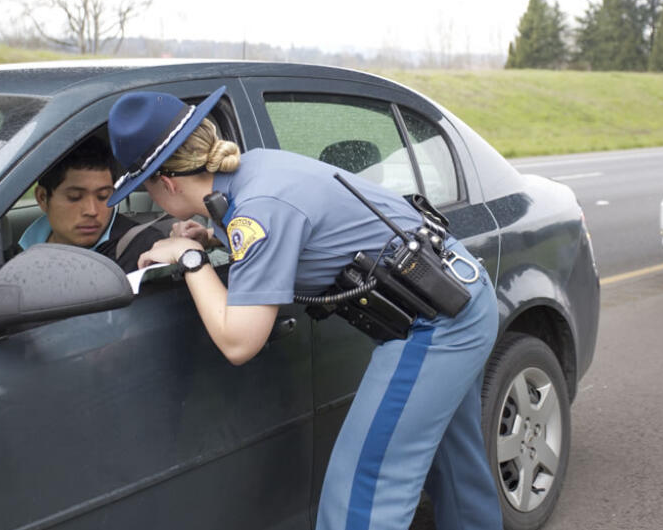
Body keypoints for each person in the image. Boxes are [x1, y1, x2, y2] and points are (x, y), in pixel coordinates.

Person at [105, 87, 503, 530]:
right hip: (460, 296)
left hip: (436, 323)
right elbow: (287, 223)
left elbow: (239, 341)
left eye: (147, 191)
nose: (152, 202)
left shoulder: (258, 209)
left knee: (361, 490)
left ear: (168, 182)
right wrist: (210, 236)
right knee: (455, 466)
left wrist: (190, 259)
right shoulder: (254, 170)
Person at [18, 136, 167, 272]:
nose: (92, 210)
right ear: (43, 198)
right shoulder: (20, 251)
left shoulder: (142, 249)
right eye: (74, 197)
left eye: (103, 196)